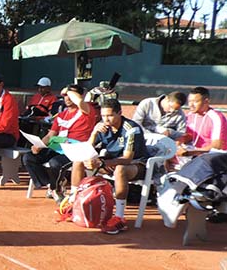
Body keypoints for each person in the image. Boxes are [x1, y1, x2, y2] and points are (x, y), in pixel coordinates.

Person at [71, 98, 148, 235]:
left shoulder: (131, 129)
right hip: (111, 162)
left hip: (136, 165)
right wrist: (94, 133)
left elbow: (127, 158)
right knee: (79, 161)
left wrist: (101, 163)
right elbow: (87, 148)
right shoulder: (102, 126)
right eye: (103, 116)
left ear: (119, 113)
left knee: (120, 169)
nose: (106, 119)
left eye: (110, 115)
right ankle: (73, 203)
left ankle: (119, 217)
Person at [22, 84, 97, 202]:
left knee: (55, 163)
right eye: (65, 95)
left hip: (76, 149)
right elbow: (50, 135)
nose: (67, 98)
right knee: (29, 157)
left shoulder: (87, 110)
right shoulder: (61, 115)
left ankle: (55, 188)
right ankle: (52, 186)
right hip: (57, 146)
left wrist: (69, 91)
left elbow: (80, 102)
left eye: (70, 95)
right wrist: (39, 145)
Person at [175, 86, 227, 167]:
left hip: (212, 158)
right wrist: (178, 142)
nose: (191, 105)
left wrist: (190, 153)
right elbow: (189, 136)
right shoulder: (190, 115)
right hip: (194, 154)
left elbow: (217, 147)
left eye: (195, 101)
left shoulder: (216, 117)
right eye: (189, 101)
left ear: (206, 101)